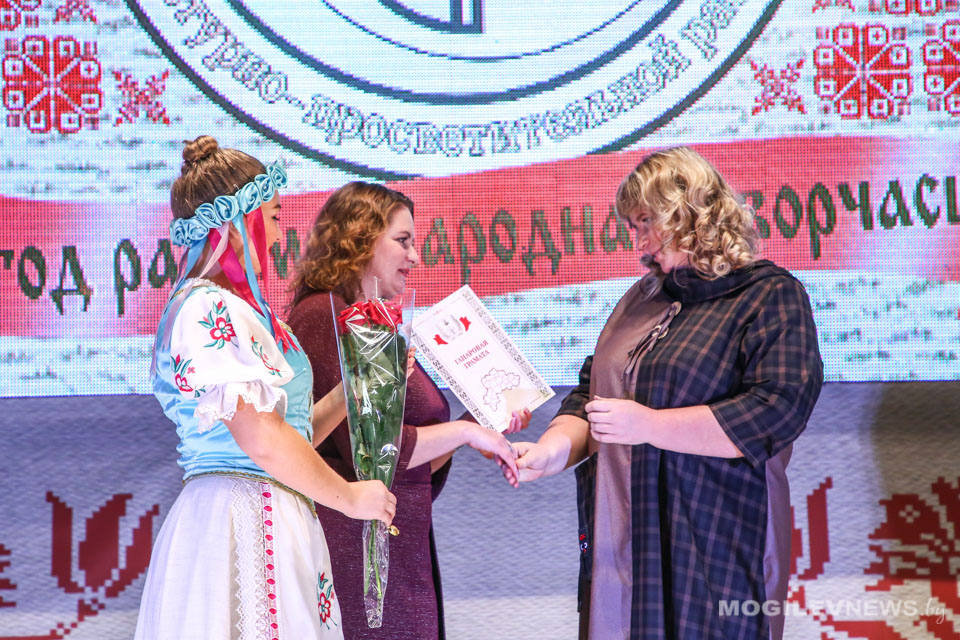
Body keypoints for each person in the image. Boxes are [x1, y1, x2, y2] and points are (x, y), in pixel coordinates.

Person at [503, 147, 824, 640]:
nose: (639, 243)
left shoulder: (768, 295)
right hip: (625, 538)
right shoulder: (640, 299)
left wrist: (650, 426)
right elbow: (592, 393)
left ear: (688, 212)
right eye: (633, 227)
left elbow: (776, 410)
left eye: (646, 223)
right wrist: (551, 452)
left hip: (716, 542)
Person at [136, 137, 397, 639]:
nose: (279, 234)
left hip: (268, 509)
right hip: (241, 518)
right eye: (274, 217)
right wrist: (347, 496)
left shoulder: (240, 311)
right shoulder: (207, 307)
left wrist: (357, 386)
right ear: (239, 222)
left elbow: (285, 432)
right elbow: (260, 438)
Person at [287, 181, 527, 640]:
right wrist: (464, 433)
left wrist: (480, 425)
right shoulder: (324, 314)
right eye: (403, 241)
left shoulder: (373, 320)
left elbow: (401, 466)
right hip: (355, 554)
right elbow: (374, 453)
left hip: (396, 545)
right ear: (359, 240)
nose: (415, 257)